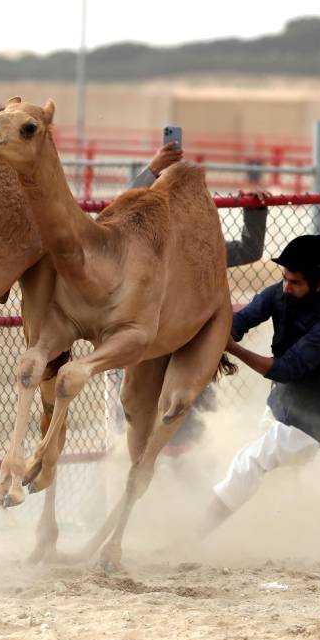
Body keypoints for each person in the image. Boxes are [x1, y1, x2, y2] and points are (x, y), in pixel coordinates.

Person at [199, 234, 320, 537]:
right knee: (279, 450)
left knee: (251, 461)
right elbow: (243, 319)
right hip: (288, 397)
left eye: (295, 282)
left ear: (319, 285)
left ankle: (197, 532)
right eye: (284, 278)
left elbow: (286, 369)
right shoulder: (283, 292)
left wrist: (233, 349)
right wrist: (219, 336)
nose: (285, 287)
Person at [104, 141, 269, 437]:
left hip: (184, 353)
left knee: (189, 428)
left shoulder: (198, 253)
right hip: (141, 352)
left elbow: (248, 248)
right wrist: (152, 169)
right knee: (133, 422)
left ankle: (188, 471)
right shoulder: (138, 251)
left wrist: (254, 208)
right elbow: (118, 218)